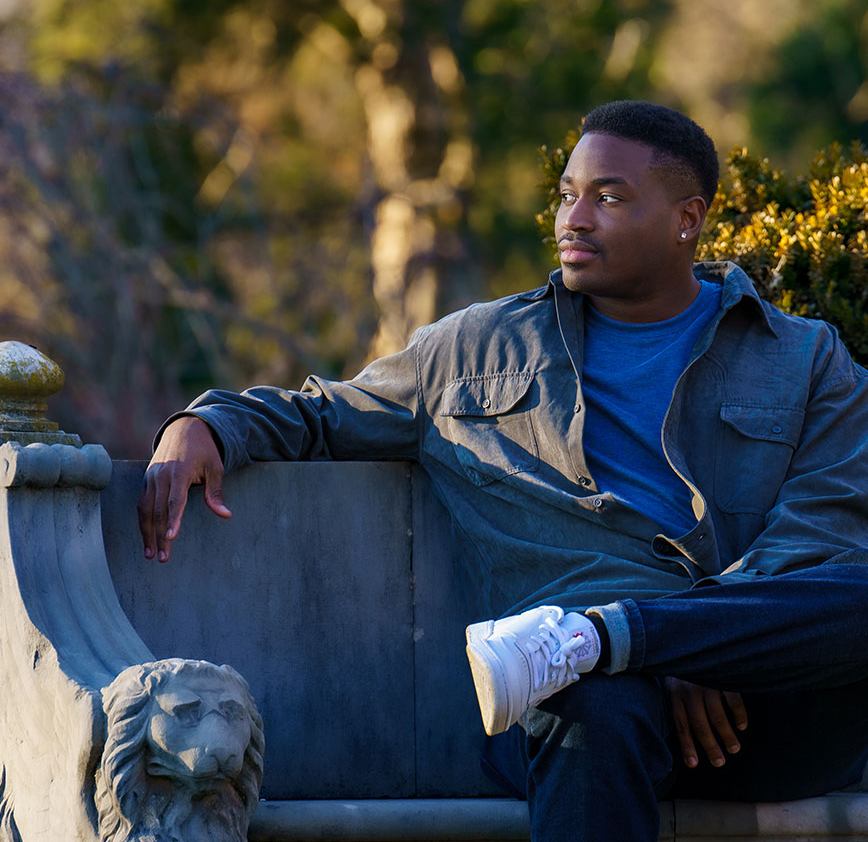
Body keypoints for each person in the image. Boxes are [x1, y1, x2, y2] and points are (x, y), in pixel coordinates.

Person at [138, 101, 868, 842]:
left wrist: (707, 640)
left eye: (608, 197)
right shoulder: (470, 350)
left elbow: (829, 522)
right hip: (585, 707)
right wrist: (205, 425)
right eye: (566, 194)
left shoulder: (803, 358)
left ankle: (610, 632)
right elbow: (322, 413)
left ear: (687, 219)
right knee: (592, 704)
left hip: (768, 706)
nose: (573, 219)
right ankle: (600, 645)